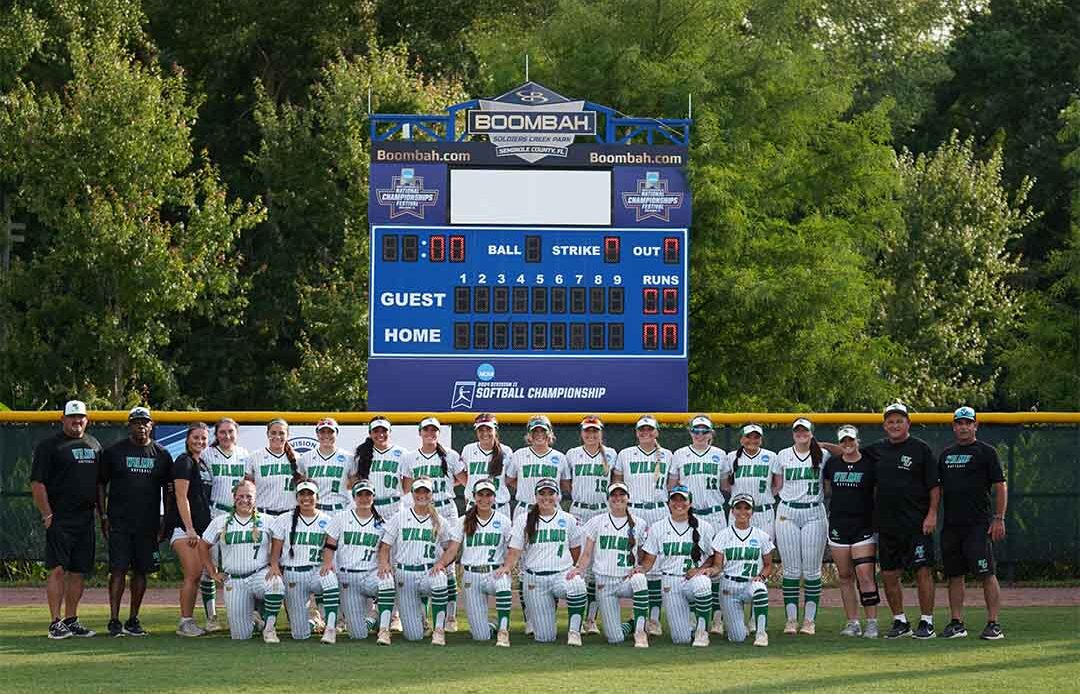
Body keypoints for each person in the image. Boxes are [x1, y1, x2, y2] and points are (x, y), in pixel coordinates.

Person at [825, 402, 941, 639]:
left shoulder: (921, 449)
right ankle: (900, 621)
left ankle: (927, 621)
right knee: (889, 574)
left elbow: (934, 486)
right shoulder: (876, 449)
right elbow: (849, 452)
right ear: (884, 425)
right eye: (890, 421)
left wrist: (932, 514)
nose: (895, 425)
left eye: (899, 421)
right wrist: (820, 446)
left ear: (908, 423)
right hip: (886, 523)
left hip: (916, 522)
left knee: (922, 571)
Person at [97, 406, 173, 637]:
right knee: (118, 569)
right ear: (129, 426)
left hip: (147, 524)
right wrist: (103, 516)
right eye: (136, 422)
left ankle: (133, 619)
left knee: (141, 571)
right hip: (120, 522)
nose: (141, 426)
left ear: (152, 426)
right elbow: (100, 484)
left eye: (145, 422)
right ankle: (113, 620)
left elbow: (168, 492)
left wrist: (165, 521)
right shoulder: (114, 452)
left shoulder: (161, 455)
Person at [31, 400, 102, 639]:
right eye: (72, 417)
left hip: (85, 518)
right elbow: (37, 483)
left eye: (80, 417)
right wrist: (47, 514)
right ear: (63, 419)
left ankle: (71, 620)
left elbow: (100, 485)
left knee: (79, 571)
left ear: (87, 419)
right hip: (60, 518)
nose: (76, 421)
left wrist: (101, 515)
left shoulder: (94, 444)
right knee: (58, 570)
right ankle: (55, 621)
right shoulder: (49, 446)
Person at [939, 406, 1007, 640]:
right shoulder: (946, 454)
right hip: (951, 525)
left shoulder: (987, 452)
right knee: (955, 575)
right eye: (960, 423)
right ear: (954, 426)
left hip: (978, 525)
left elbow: (1000, 486)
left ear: (975, 426)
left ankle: (993, 624)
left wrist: (999, 518)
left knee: (986, 573)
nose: (964, 427)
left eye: (969, 423)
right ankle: (957, 623)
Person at [496, 478, 587, 645]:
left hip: (561, 576)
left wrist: (576, 568)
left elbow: (575, 549)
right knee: (545, 637)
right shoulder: (524, 519)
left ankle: (574, 631)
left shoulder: (568, 519)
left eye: (551, 493)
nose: (546, 497)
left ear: (558, 496)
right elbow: (515, 550)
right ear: (535, 496)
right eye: (542, 493)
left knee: (577, 584)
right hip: (535, 579)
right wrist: (507, 567)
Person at [198, 479, 285, 641]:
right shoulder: (220, 521)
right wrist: (212, 572)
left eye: (249, 496)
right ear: (234, 497)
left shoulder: (267, 520)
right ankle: (254, 620)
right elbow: (203, 546)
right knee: (240, 635)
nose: (245, 500)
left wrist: (274, 564)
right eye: (241, 496)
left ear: (255, 498)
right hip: (235, 579)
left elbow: (279, 539)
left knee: (276, 584)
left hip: (259, 574)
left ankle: (269, 627)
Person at [401, 416, 466, 630]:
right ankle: (424, 616)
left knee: (448, 561)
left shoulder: (451, 455)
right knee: (424, 556)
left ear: (439, 433)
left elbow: (464, 480)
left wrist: (447, 487)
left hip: (445, 507)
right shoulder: (410, 457)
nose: (430, 433)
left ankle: (450, 617)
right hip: (422, 507)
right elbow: (406, 487)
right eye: (426, 430)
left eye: (434, 430)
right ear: (420, 433)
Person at [505, 414, 568, 634]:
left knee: (551, 562)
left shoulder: (559, 457)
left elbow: (565, 483)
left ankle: (548, 613)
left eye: (543, 431)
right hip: (525, 509)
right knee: (525, 567)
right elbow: (510, 480)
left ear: (550, 434)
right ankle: (529, 617)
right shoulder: (519, 455)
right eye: (535, 432)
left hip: (552, 509)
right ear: (529, 436)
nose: (539, 435)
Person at [376, 478, 460, 645]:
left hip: (429, 572)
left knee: (440, 579)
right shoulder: (400, 517)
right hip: (404, 574)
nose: (422, 495)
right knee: (414, 636)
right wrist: (384, 563)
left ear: (431, 494)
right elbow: (385, 546)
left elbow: (450, 550)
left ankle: (439, 630)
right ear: (412, 494)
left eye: (426, 492)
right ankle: (418, 620)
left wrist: (441, 564)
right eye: (418, 492)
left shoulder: (440, 521)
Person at [567, 482, 650, 647]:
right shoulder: (596, 521)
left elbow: (644, 553)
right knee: (615, 638)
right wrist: (578, 569)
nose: (618, 498)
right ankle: (633, 624)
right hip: (605, 581)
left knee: (640, 579)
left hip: (627, 579)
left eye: (622, 495)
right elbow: (587, 554)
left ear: (628, 498)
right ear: (608, 499)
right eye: (614, 495)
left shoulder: (639, 523)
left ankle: (640, 631)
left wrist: (642, 567)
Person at [612, 415, 673, 636]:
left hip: (658, 509)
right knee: (632, 563)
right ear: (636, 432)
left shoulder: (668, 455)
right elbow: (617, 483)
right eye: (641, 430)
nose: (645, 433)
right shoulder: (625, 454)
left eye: (650, 429)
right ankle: (637, 616)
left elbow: (672, 485)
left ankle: (654, 619)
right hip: (633, 509)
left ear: (657, 432)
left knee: (655, 567)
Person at [669, 414, 730, 635]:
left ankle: (716, 617)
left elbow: (725, 485)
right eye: (696, 431)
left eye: (705, 431)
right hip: (690, 515)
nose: (700, 435)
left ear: (711, 433)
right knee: (692, 561)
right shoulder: (680, 454)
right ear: (690, 433)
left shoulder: (720, 455)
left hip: (714, 513)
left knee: (716, 564)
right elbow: (672, 485)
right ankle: (694, 616)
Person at [635, 485, 715, 647]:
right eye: (674, 500)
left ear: (690, 503)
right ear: (668, 503)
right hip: (670, 581)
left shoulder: (704, 526)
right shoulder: (658, 527)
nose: (679, 503)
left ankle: (701, 631)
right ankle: (690, 625)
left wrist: (700, 570)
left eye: (683, 500)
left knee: (703, 583)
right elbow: (650, 560)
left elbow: (712, 557)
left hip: (692, 579)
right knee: (681, 639)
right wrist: (641, 569)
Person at [771, 417, 829, 636]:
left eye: (805, 430)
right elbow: (776, 485)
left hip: (814, 511)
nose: (801, 434)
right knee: (792, 570)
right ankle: (791, 620)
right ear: (793, 433)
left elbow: (829, 482)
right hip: (787, 511)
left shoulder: (823, 455)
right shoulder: (782, 455)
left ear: (812, 433)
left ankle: (809, 621)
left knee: (812, 570)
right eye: (798, 430)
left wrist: (825, 446)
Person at [822, 425, 880, 639]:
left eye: (851, 440)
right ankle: (852, 622)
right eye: (843, 441)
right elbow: (828, 490)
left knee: (865, 576)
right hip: (838, 525)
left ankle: (872, 622)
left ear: (858, 441)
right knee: (845, 576)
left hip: (863, 526)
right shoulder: (832, 465)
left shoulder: (869, 464)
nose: (847, 444)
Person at [265, 480, 341, 643]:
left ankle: (330, 628)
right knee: (300, 635)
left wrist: (327, 563)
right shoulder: (284, 519)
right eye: (302, 494)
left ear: (317, 497)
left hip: (316, 570)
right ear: (297, 497)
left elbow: (330, 546)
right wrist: (274, 565)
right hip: (293, 574)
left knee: (330, 580)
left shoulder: (328, 520)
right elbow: (276, 547)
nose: (306, 498)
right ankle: (314, 621)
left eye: (310, 494)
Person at [320, 479, 396, 641]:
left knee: (387, 580)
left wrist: (384, 563)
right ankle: (373, 617)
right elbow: (330, 545)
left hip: (371, 575)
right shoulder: (341, 518)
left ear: (373, 497)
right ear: (354, 497)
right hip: (348, 577)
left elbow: (385, 548)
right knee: (357, 634)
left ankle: (384, 629)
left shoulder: (382, 523)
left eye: (367, 495)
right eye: (360, 495)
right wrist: (327, 563)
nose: (364, 498)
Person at [565, 414, 617, 634]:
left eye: (595, 431)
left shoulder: (611, 454)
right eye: (587, 431)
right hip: (579, 510)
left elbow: (615, 482)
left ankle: (591, 619)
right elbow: (566, 484)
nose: (591, 435)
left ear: (601, 433)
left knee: (596, 567)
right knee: (578, 565)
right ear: (581, 433)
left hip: (601, 512)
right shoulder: (572, 454)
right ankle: (576, 617)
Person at [162, 422, 214, 636]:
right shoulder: (184, 461)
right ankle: (185, 622)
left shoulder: (201, 463)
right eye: (196, 437)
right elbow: (181, 497)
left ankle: (190, 620)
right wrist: (190, 528)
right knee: (193, 573)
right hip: (184, 529)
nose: (200, 441)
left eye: (203, 438)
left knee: (198, 574)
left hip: (200, 530)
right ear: (187, 439)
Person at [451, 479, 514, 646]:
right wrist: (441, 565)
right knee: (481, 636)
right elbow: (452, 550)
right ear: (474, 496)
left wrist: (507, 566)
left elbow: (514, 549)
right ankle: (492, 625)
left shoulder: (504, 521)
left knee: (503, 584)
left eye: (489, 495)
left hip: (495, 572)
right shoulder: (463, 520)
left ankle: (503, 630)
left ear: (494, 497)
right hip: (472, 575)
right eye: (481, 495)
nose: (484, 499)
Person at [201, 416, 249, 629]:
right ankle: (211, 616)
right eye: (222, 432)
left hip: (240, 516)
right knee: (209, 567)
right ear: (216, 434)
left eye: (231, 432)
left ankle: (250, 613)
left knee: (244, 563)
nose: (227, 435)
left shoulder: (245, 455)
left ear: (236, 433)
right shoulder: (207, 455)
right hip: (216, 512)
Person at [710, 493, 772, 647]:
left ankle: (761, 633)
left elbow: (768, 565)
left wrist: (762, 577)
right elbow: (718, 565)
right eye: (738, 507)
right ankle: (738, 628)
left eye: (747, 508)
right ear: (732, 511)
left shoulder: (761, 535)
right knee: (737, 638)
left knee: (760, 590)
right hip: (729, 586)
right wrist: (708, 571)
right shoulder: (723, 535)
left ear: (752, 511)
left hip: (750, 582)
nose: (742, 511)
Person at [726, 424, 778, 540]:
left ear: (761, 440)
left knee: (765, 551)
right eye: (748, 437)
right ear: (741, 439)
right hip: (739, 512)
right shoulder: (731, 457)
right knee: (736, 549)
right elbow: (725, 485)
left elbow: (778, 485)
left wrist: (766, 494)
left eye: (756, 437)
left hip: (764, 512)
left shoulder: (771, 456)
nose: (752, 440)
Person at [244, 418, 302, 518]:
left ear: (288, 435)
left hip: (289, 515)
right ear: (267, 434)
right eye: (273, 433)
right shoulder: (254, 457)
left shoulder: (298, 458)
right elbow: (247, 489)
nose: (277, 436)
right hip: (262, 514)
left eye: (281, 433)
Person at [353, 416, 409, 518]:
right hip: (369, 507)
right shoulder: (362, 454)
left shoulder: (402, 453)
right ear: (370, 433)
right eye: (376, 431)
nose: (380, 434)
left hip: (394, 507)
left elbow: (407, 486)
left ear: (390, 432)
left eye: (384, 430)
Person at [298, 417, 353, 515]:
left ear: (336, 433)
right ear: (317, 434)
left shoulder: (348, 458)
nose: (326, 435)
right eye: (322, 432)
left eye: (330, 432)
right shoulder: (305, 458)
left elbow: (354, 483)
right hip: (314, 509)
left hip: (340, 509)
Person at [461, 413, 513, 515]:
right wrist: (470, 488)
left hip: (499, 506)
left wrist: (500, 484)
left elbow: (511, 477)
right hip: (474, 506)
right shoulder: (468, 450)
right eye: (481, 430)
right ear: (476, 432)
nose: (485, 433)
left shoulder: (506, 451)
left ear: (495, 430)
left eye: (489, 429)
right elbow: (464, 476)